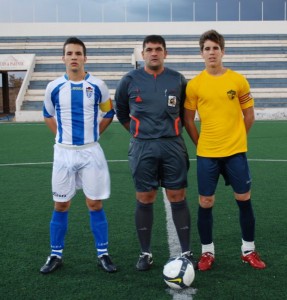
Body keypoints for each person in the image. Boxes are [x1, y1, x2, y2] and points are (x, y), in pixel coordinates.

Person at [184, 29, 266, 271]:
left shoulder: (238, 80)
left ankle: (248, 250)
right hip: (207, 153)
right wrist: (201, 144)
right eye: (207, 48)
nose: (211, 52)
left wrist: (238, 138)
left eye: (215, 48)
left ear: (223, 51)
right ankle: (207, 252)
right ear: (201, 53)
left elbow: (249, 115)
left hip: (235, 152)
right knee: (206, 201)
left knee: (243, 199)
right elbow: (189, 120)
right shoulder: (195, 84)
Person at [114, 35, 197, 271]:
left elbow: (185, 112)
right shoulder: (129, 80)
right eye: (149, 49)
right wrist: (138, 133)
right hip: (142, 147)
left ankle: (187, 252)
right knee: (145, 198)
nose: (153, 53)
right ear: (142, 53)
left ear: (165, 53)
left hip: (173, 145)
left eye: (158, 49)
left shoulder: (177, 79)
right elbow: (121, 111)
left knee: (177, 196)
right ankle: (145, 253)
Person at [40, 37, 117, 274]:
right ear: (63, 58)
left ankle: (103, 254)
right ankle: (55, 255)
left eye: (78, 53)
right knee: (61, 204)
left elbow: (109, 112)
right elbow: (47, 114)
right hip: (63, 153)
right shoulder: (53, 87)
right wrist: (61, 137)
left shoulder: (98, 85)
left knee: (94, 203)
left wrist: (95, 134)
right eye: (69, 53)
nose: (74, 57)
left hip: (90, 152)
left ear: (85, 57)